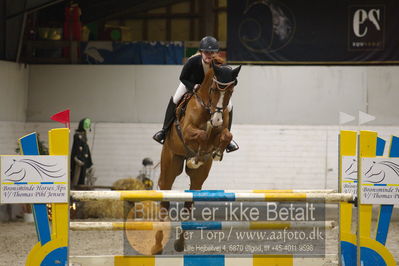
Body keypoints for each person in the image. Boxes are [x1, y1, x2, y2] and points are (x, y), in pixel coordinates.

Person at [152, 36, 239, 152]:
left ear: (216, 53)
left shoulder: (220, 65)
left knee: (229, 106)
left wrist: (231, 82)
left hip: (211, 91)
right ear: (201, 52)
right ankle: (164, 131)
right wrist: (193, 86)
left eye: (212, 52)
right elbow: (183, 77)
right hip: (190, 84)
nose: (209, 55)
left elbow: (232, 79)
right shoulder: (193, 61)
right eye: (206, 52)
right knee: (175, 98)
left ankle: (228, 139)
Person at [70, 118, 93, 187]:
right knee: (77, 176)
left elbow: (85, 147)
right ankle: (75, 188)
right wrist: (78, 159)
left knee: (82, 177)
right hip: (79, 161)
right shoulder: (77, 136)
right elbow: (76, 148)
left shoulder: (84, 136)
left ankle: (80, 186)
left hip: (84, 160)